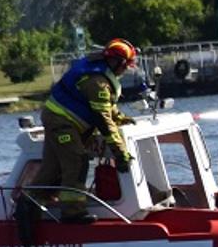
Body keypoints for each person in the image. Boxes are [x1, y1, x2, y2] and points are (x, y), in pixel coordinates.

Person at [28, 38, 138, 224]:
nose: (126, 69)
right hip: (62, 123)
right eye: (126, 65)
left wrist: (119, 117)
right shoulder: (98, 82)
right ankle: (72, 213)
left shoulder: (100, 72)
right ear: (117, 63)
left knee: (52, 168)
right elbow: (102, 119)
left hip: (59, 119)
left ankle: (28, 205)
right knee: (77, 162)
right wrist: (120, 153)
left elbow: (104, 106)